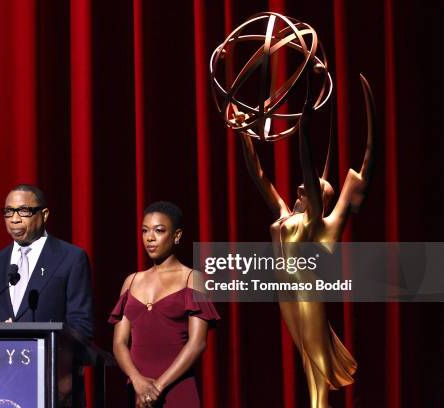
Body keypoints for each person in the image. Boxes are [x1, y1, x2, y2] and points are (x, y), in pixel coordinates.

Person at [238, 74, 375, 408]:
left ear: (318, 199)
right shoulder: (286, 214)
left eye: (312, 189)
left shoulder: (318, 224)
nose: (301, 187)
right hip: (285, 292)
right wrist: (244, 132)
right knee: (306, 363)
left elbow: (309, 163)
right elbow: (258, 174)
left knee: (316, 366)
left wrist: (306, 119)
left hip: (307, 292)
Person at [109, 201, 219, 408]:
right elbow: (119, 343)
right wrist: (138, 382)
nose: (150, 238)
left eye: (159, 231)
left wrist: (158, 387)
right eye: (145, 231)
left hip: (177, 389)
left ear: (176, 236)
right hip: (137, 391)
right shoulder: (131, 281)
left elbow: (197, 343)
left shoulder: (193, 279)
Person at [0, 184, 93, 338]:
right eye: (9, 212)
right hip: (0, 358)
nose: (15, 219)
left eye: (24, 211)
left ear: (44, 215)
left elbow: (81, 326)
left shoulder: (71, 259)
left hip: (49, 358)